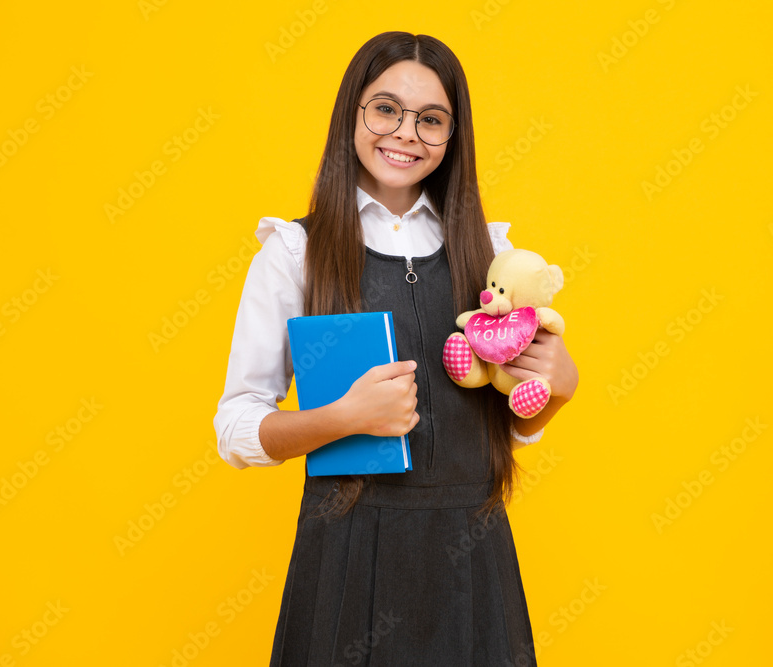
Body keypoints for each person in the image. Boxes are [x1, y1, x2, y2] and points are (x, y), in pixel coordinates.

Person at [213, 31, 578, 666]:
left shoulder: (489, 255)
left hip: (471, 547)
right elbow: (236, 425)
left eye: (431, 120)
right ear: (352, 112)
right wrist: (341, 420)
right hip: (346, 552)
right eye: (386, 109)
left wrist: (557, 390)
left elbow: (509, 423)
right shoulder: (293, 253)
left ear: (452, 136)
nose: (406, 133)